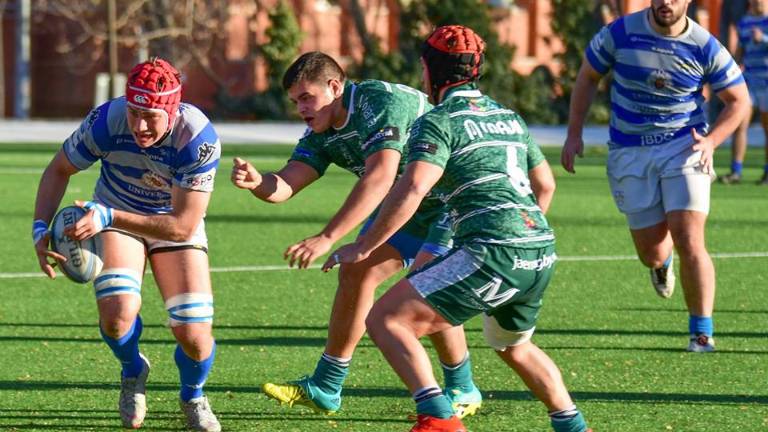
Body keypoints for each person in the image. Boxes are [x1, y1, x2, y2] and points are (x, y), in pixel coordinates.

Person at [325, 25, 590, 432]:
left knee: (387, 321)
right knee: (513, 346)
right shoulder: (508, 117)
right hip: (540, 249)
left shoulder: (438, 121)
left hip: (493, 250)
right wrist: (521, 232)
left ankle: (439, 420)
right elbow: (546, 185)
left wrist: (363, 247)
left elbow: (413, 187)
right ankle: (574, 427)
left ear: (429, 72)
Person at [230, 52, 482, 417]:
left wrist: (329, 237)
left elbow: (381, 176)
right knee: (357, 271)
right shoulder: (321, 130)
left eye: (306, 97)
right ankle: (326, 386)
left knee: (426, 286)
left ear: (334, 87)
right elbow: (286, 183)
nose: (300, 108)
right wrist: (258, 183)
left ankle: (463, 388)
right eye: (295, 101)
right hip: (407, 205)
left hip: (450, 200)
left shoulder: (379, 101)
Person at [32, 57, 222, 431]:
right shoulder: (106, 120)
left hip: (171, 223)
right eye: (134, 112)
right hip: (117, 214)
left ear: (172, 110)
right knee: (118, 317)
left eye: (151, 116)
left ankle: (193, 395)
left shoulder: (197, 138)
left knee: (194, 336)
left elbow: (182, 226)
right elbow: (58, 169)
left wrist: (107, 216)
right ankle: (133, 370)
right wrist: (40, 229)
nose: (139, 125)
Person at [562, 0, 750, 352]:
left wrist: (712, 141)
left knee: (689, 237)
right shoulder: (619, 33)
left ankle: (701, 331)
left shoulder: (705, 45)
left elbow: (738, 99)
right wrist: (574, 134)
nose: (666, 2)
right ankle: (661, 264)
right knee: (651, 250)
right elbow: (588, 76)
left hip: (685, 146)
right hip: (630, 150)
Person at [718, 0, 768, 185]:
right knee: (739, 124)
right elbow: (740, 49)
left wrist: (763, 39)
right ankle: (736, 171)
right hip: (749, 81)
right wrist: (734, 66)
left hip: (767, 82)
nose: (756, 2)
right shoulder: (745, 21)